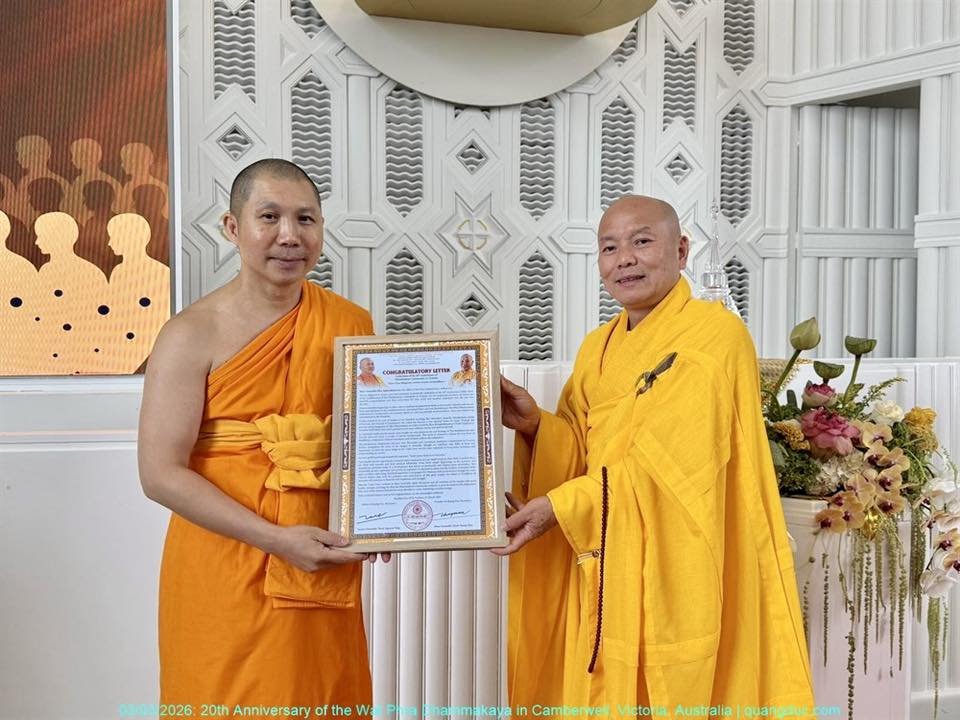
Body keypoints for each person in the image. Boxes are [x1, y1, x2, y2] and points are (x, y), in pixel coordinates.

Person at [496, 195, 814, 717]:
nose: (624, 258)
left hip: (680, 550)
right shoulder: (597, 346)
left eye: (642, 241)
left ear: (681, 249)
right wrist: (534, 424)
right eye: (609, 247)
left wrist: (563, 506)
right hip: (605, 551)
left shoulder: (715, 335)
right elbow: (585, 445)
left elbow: (675, 467)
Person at [138, 158, 385, 710]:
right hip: (224, 559)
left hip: (318, 556)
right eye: (269, 216)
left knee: (318, 693)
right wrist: (275, 539)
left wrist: (388, 517)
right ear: (232, 227)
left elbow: (371, 444)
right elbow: (159, 475)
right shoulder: (189, 333)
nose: (289, 236)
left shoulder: (350, 323)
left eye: (306, 219)